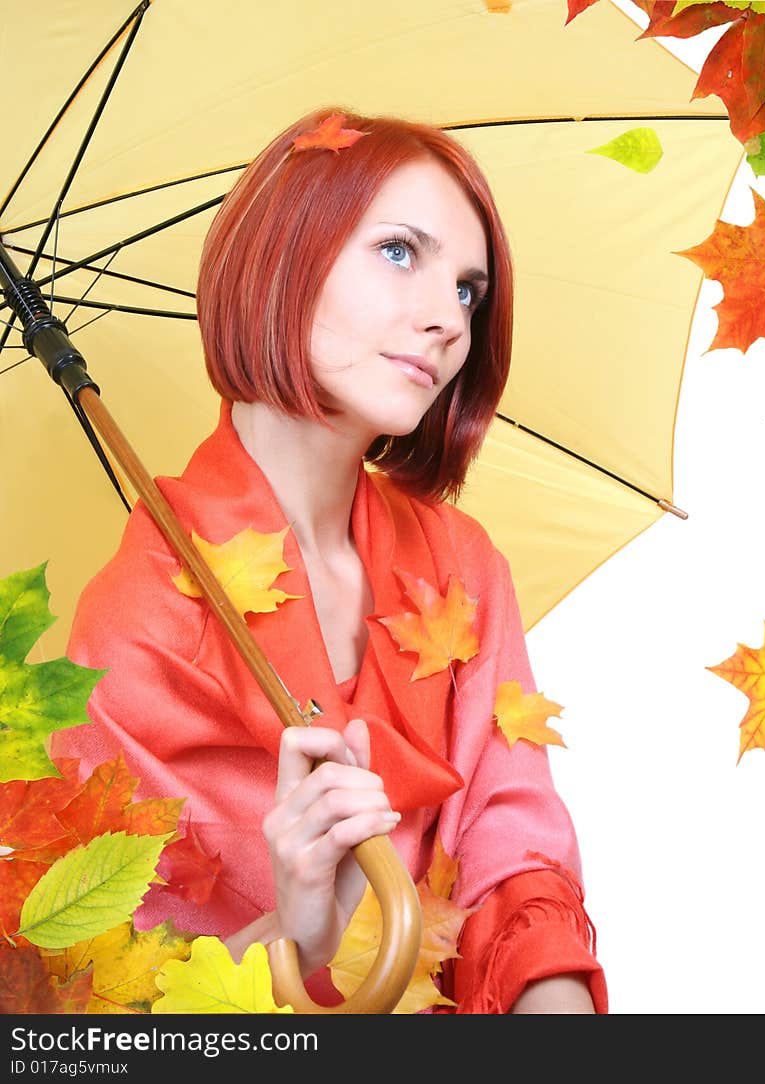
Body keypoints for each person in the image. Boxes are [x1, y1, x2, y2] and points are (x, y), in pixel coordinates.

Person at [54, 107, 608, 1014]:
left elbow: (516, 847)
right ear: (285, 255)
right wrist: (296, 932)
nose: (446, 321)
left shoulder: (462, 563)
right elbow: (109, 1015)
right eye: (399, 251)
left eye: (468, 289)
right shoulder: (139, 621)